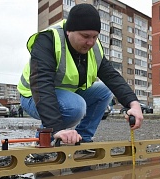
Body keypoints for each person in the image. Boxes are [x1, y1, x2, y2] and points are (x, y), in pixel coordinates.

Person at [17, 3, 143, 145]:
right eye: (85, 36)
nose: (90, 42)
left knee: (104, 91)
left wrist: (134, 104)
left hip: (66, 95)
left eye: (95, 36)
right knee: (75, 107)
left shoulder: (94, 48)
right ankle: (43, 141)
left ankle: (83, 140)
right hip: (33, 96)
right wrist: (56, 128)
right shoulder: (48, 40)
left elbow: (112, 77)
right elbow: (42, 84)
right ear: (69, 31)